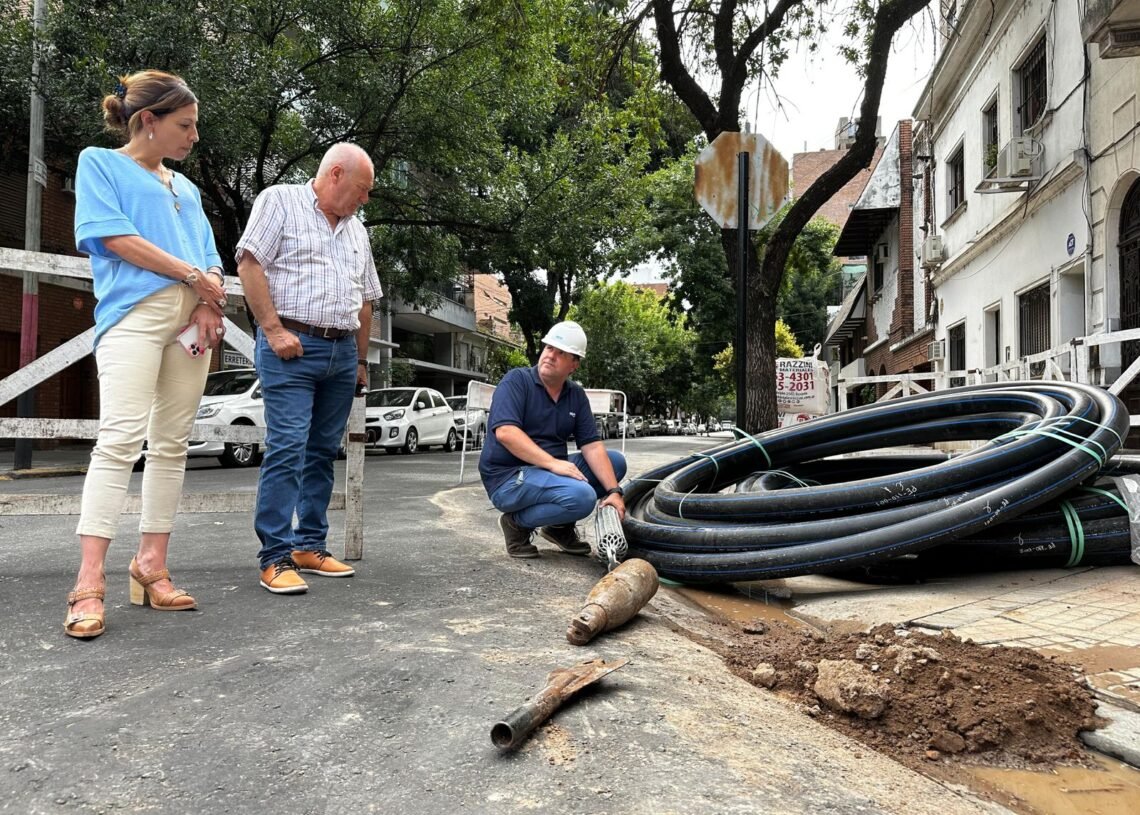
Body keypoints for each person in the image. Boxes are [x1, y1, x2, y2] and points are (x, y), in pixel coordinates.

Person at [67, 70, 227, 639]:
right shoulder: (99, 163)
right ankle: (89, 581)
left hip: (191, 322)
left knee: (172, 444)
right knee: (118, 440)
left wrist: (209, 301)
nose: (194, 136)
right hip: (134, 317)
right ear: (147, 121)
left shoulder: (186, 188)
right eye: (185, 126)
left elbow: (211, 255)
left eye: (196, 126)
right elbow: (110, 236)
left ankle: (151, 565)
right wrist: (191, 276)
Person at [236, 143, 383, 594]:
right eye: (361, 189)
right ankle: (275, 557)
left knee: (322, 451)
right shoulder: (279, 200)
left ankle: (309, 546)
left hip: (340, 354)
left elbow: (365, 300)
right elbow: (249, 263)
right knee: (287, 447)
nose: (364, 200)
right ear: (335, 174)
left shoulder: (358, 231)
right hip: (292, 349)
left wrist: (359, 360)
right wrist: (273, 329)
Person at [478, 321, 627, 558]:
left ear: (574, 364)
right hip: (508, 477)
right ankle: (516, 524)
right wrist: (554, 464)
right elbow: (506, 432)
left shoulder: (575, 395)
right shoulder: (517, 381)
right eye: (549, 348)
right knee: (582, 497)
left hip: (547, 472)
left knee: (615, 463)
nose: (550, 356)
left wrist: (614, 491)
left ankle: (558, 528)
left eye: (561, 353)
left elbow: (591, 445)